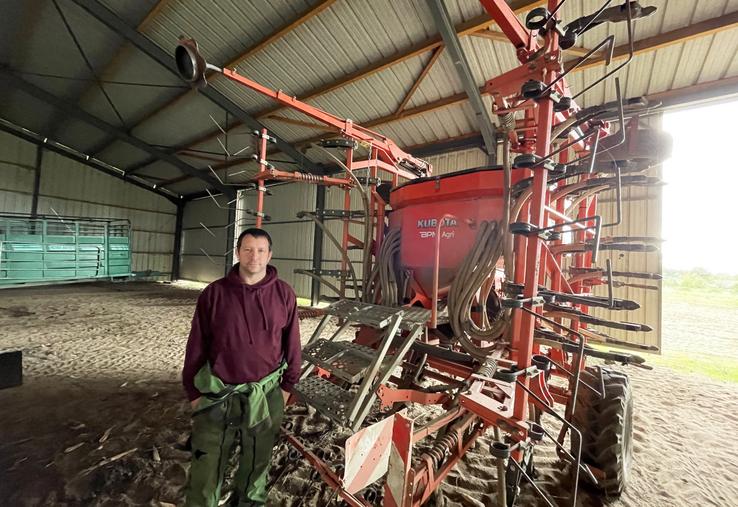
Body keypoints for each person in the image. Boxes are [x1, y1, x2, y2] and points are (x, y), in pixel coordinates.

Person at [182, 227, 301, 507]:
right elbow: (197, 345)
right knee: (207, 461)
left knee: (257, 460)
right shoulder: (214, 294)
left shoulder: (284, 294)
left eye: (261, 250)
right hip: (217, 393)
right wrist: (192, 391)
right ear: (237, 253)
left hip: (265, 393)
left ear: (270, 255)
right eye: (247, 249)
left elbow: (293, 343)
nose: (254, 256)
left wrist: (286, 387)